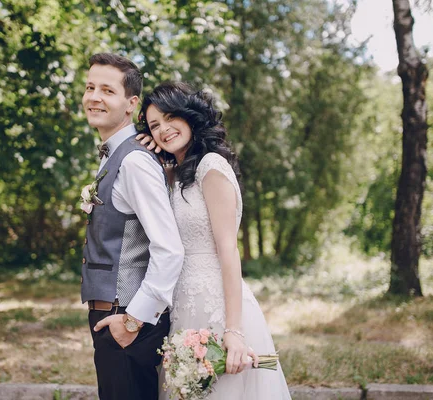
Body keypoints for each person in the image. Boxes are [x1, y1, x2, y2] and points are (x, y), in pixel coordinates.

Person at [137, 82, 292, 399]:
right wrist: (145, 149)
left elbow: (228, 251)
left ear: (189, 115)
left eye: (170, 118)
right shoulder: (179, 173)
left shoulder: (211, 167)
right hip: (183, 305)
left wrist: (233, 331)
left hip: (218, 305)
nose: (164, 129)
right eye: (154, 126)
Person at [80, 54, 184, 400]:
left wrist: (132, 321)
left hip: (125, 318)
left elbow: (169, 248)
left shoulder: (135, 161)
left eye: (107, 90)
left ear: (131, 104)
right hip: (114, 316)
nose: (94, 97)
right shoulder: (117, 154)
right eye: (90, 87)